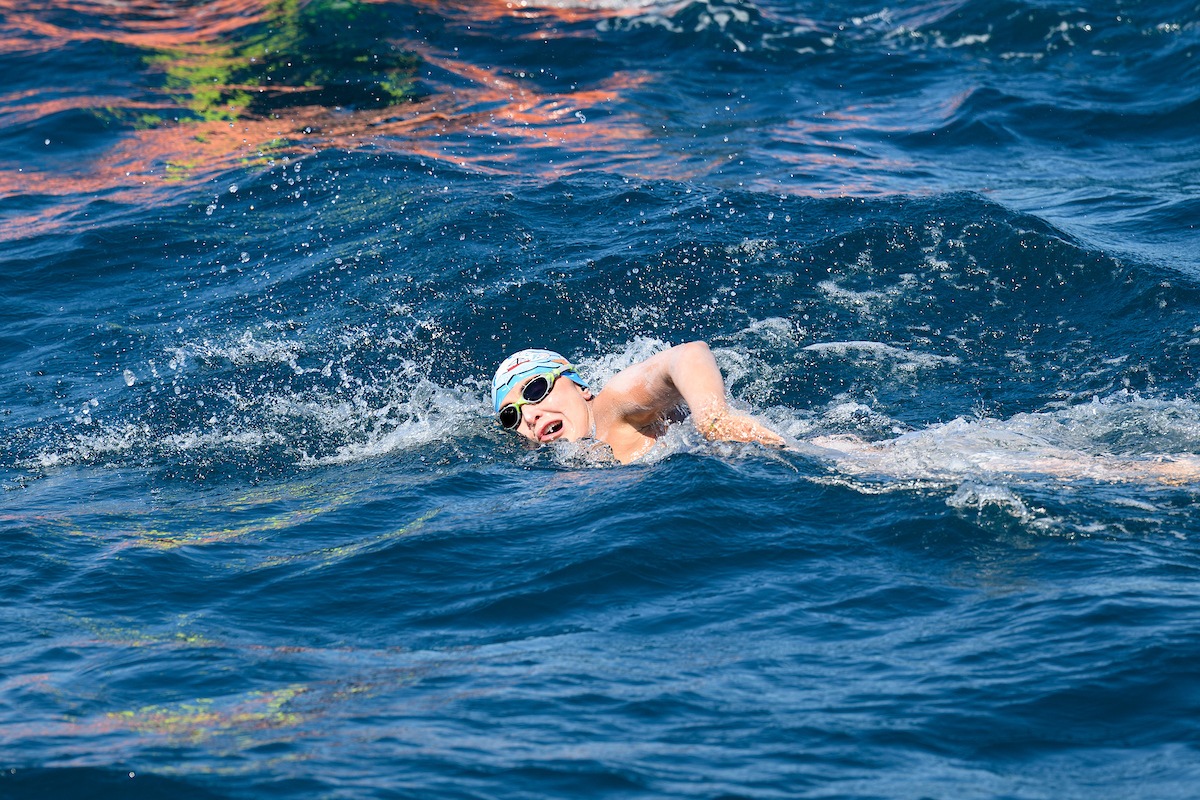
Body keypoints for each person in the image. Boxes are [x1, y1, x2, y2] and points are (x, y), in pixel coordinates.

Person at [492, 341, 784, 463]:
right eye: (510, 416)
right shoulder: (563, 466)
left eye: (535, 390)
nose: (528, 416)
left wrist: (714, 418)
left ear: (581, 388)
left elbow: (688, 354)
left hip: (764, 452)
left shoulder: (611, 408)